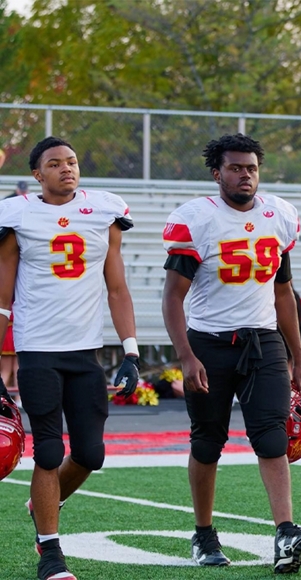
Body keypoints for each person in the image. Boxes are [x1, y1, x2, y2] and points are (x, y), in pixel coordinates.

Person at [161, 133, 301, 574]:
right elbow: (173, 297)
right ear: (217, 173)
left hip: (263, 340)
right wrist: (186, 355)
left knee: (271, 436)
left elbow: (283, 291)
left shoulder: (278, 215)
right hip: (209, 342)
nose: (244, 175)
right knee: (208, 441)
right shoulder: (198, 220)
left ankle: (286, 532)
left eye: (251, 168)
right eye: (235, 168)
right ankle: (204, 533)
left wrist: (298, 357)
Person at [0, 136, 140, 580]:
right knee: (47, 449)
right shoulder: (19, 213)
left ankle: (44, 501)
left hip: (85, 351)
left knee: (91, 454)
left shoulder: (104, 210)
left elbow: (116, 288)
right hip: (38, 349)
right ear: (38, 175)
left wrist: (131, 350)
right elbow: (2, 300)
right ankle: (51, 553)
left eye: (72, 161)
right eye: (55, 164)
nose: (67, 168)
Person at [0, 309, 19, 406]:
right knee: (16, 369)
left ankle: (3, 397)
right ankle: (19, 399)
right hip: (15, 332)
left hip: (6, 332)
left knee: (6, 370)